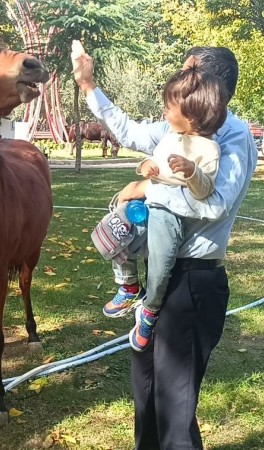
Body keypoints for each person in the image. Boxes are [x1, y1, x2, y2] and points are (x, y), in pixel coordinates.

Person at [73, 41, 258, 450]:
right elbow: (129, 131)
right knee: (148, 397)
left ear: (207, 85)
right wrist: (88, 86)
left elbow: (216, 204)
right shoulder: (178, 127)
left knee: (175, 409)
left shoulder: (232, 135)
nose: (175, 81)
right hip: (160, 272)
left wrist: (146, 189)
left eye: (185, 73)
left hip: (193, 281)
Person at [99, 66, 231, 352]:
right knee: (112, 236)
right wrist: (144, 166)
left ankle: (149, 309)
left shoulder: (208, 149)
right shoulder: (170, 136)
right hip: (147, 202)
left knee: (160, 269)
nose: (164, 112)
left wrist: (192, 171)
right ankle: (128, 284)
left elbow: (205, 190)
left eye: (169, 107)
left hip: (167, 216)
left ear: (191, 115)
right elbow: (152, 168)